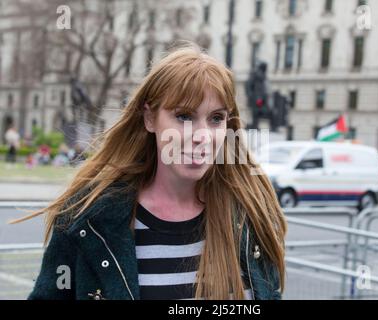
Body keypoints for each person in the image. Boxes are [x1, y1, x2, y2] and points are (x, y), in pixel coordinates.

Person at [13, 44, 287, 300]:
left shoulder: (250, 215)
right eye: (184, 116)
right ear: (149, 118)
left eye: (216, 118)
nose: (202, 135)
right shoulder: (87, 217)